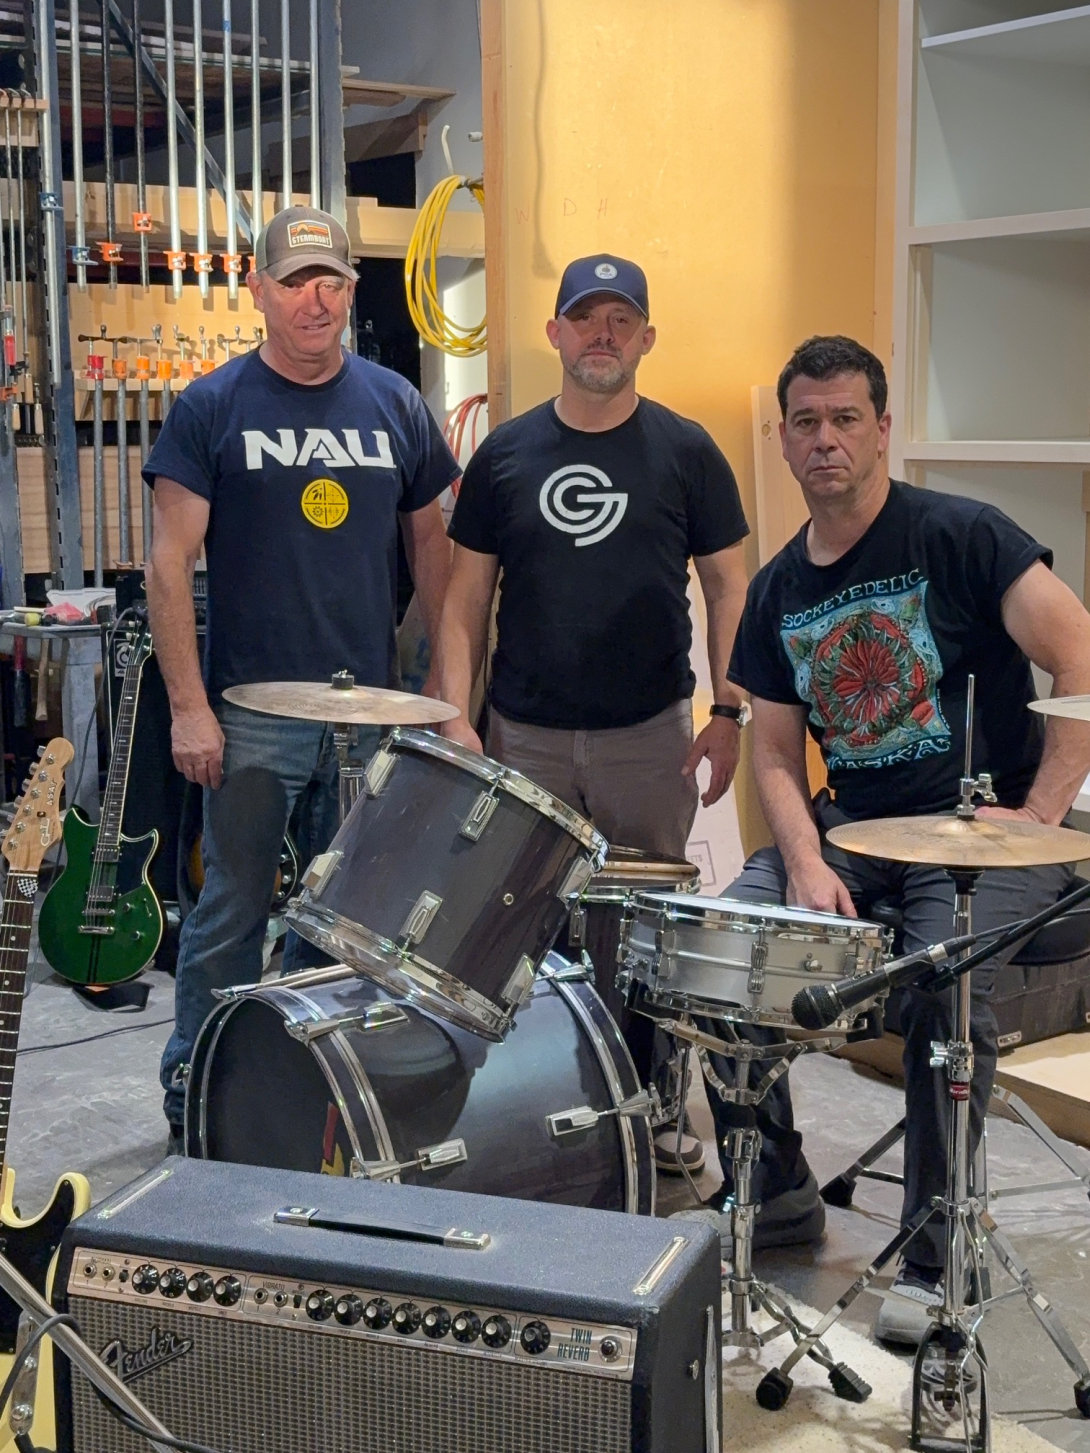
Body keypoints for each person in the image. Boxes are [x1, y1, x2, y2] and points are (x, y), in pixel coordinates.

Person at [676, 334, 1090, 1336]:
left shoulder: (962, 535)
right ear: (783, 439)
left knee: (942, 987)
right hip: (852, 835)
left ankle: (933, 1253)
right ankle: (778, 1188)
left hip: (975, 832)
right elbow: (777, 755)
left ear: (881, 430)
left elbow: (1079, 650)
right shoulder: (777, 589)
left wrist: (1041, 811)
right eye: (806, 422)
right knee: (722, 956)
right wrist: (803, 859)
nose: (825, 439)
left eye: (845, 419)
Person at [143, 206, 458, 1149]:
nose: (314, 301)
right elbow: (168, 565)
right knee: (230, 911)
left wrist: (441, 692)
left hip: (370, 710)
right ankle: (197, 1093)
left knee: (348, 919)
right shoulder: (212, 406)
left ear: (351, 291)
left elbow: (434, 549)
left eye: (332, 282)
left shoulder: (397, 404)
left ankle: (313, 1096)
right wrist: (189, 708)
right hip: (251, 715)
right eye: (294, 283)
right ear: (259, 291)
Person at [436, 254, 751, 1175]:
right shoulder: (505, 455)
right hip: (523, 736)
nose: (602, 334)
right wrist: (455, 717)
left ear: (647, 337)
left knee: (644, 934)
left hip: (649, 738)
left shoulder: (688, 451)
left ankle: (650, 1113)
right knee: (515, 925)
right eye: (585, 317)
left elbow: (731, 586)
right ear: (556, 334)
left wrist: (729, 709)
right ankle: (524, 1114)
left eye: (621, 319)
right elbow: (462, 602)